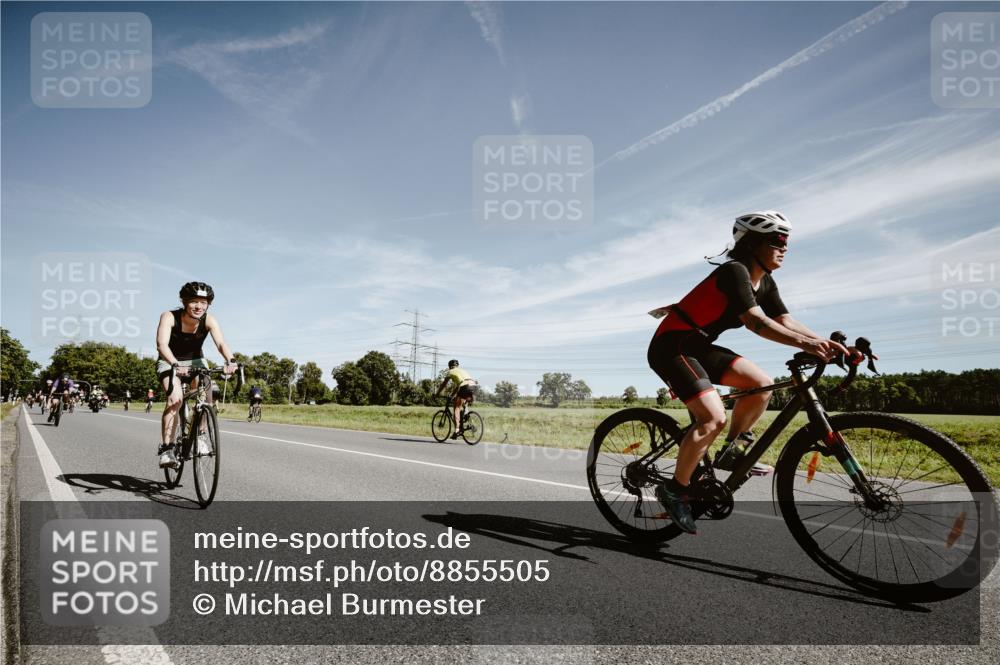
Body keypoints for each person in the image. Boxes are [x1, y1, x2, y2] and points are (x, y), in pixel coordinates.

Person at [647, 211, 857, 534]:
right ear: (752, 243)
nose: (784, 247)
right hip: (672, 346)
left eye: (787, 241)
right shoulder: (735, 271)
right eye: (778, 240)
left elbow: (786, 322)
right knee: (712, 417)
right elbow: (755, 322)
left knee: (762, 384)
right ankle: (674, 490)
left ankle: (732, 453)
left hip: (700, 346)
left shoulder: (766, 282)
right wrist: (807, 344)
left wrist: (825, 343)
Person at [155, 281, 237, 469]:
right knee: (175, 400)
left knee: (206, 397)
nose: (199, 306)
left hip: (196, 362)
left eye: (203, 302)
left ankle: (200, 436)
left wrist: (230, 360)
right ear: (184, 302)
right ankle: (167, 449)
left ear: (208, 304)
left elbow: (221, 343)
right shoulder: (169, 317)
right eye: (194, 302)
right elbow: (162, 345)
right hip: (169, 361)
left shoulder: (209, 320)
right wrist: (175, 364)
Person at [435, 359, 478, 440]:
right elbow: (458, 386)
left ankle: (457, 430)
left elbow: (444, 384)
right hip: (473, 386)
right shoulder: (462, 371)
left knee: (456, 407)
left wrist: (437, 393)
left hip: (464, 387)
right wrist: (452, 395)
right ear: (457, 366)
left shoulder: (451, 372)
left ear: (449, 367)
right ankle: (471, 424)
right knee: (464, 404)